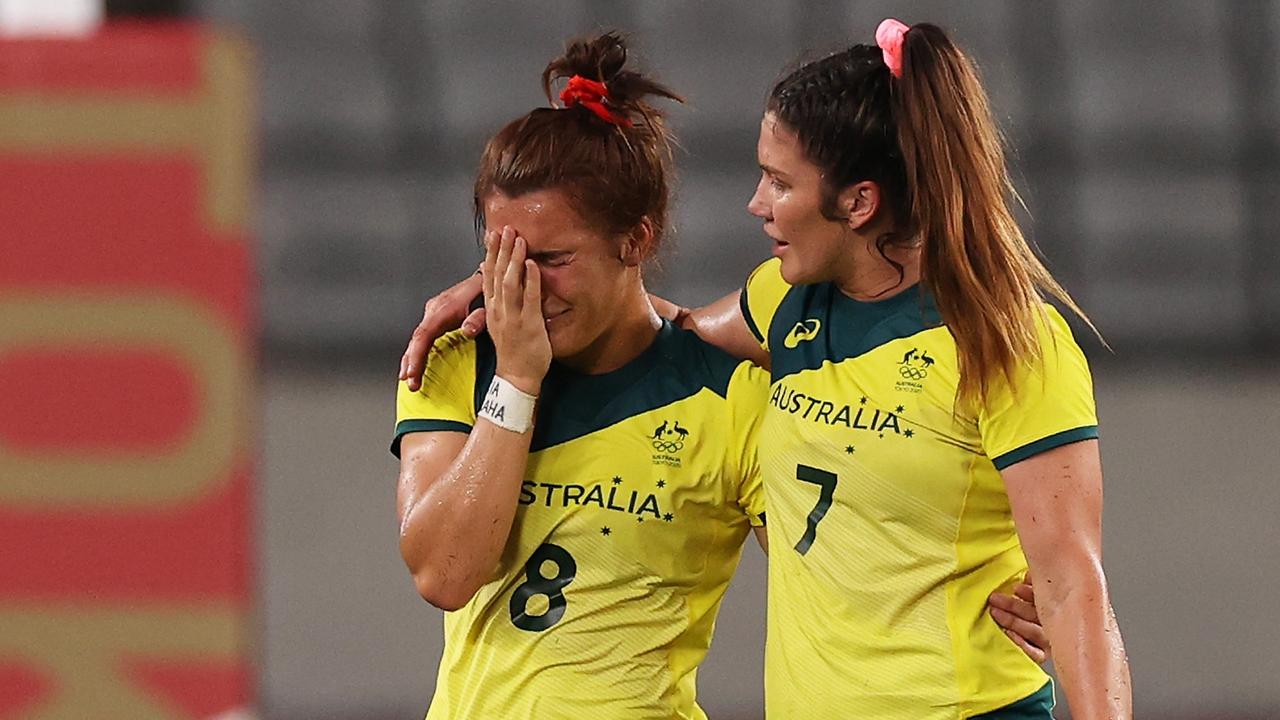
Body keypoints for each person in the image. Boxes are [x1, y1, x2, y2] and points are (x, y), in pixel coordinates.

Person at [399, 20, 1126, 720]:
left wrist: (1048, 594)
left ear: (859, 202)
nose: (756, 204)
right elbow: (666, 327)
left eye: (779, 183)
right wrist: (509, 292)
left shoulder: (1008, 341)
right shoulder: (784, 303)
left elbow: (1072, 580)